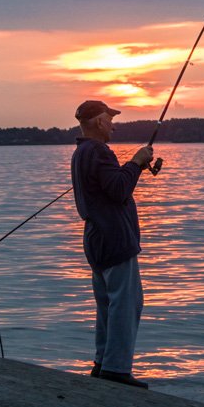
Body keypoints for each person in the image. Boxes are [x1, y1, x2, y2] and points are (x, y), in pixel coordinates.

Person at [70, 99, 154, 388]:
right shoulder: (98, 151)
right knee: (126, 303)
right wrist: (136, 162)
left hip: (96, 238)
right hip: (114, 237)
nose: (113, 126)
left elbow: (110, 185)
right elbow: (118, 190)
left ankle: (102, 363)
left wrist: (134, 168)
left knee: (107, 303)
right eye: (110, 119)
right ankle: (116, 369)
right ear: (99, 122)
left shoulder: (81, 152)